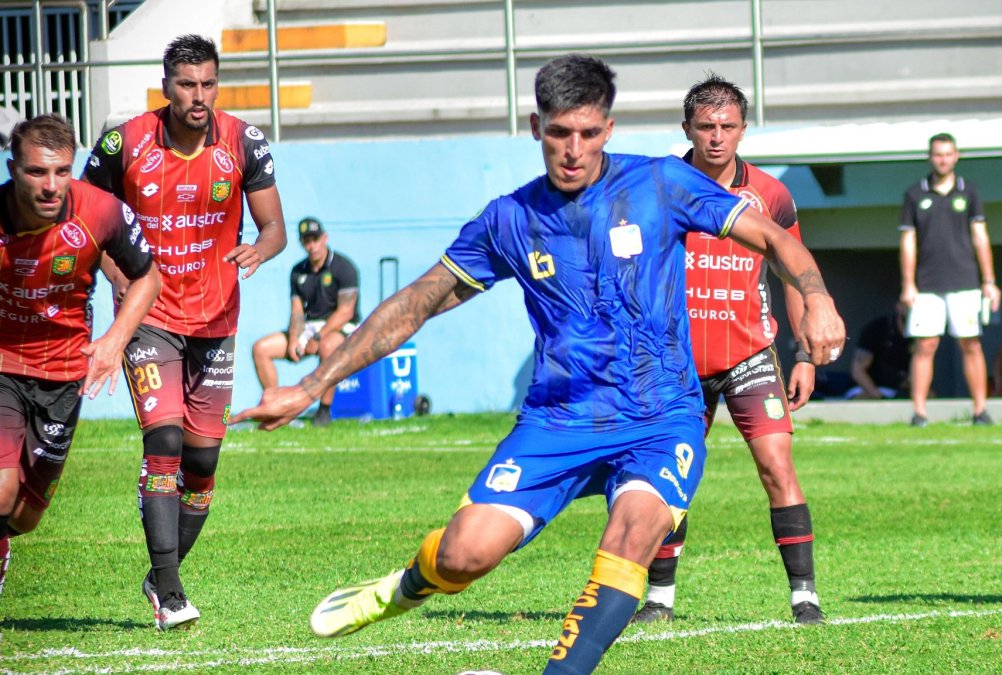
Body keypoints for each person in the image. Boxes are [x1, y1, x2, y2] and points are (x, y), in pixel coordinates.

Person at [232, 54, 845, 673]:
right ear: (535, 127)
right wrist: (311, 384)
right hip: (559, 420)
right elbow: (417, 302)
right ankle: (402, 587)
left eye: (587, 133)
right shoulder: (511, 219)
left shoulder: (662, 184)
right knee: (463, 557)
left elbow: (772, 236)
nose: (572, 149)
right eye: (558, 133)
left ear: (609, 129)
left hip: (661, 415)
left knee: (633, 533)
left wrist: (816, 299)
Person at [82, 34, 287, 630]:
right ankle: (170, 591)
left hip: (217, 320)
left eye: (208, 85)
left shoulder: (244, 141)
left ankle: (161, 573)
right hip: (151, 317)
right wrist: (119, 276)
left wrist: (259, 250)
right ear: (165, 86)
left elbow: (273, 226)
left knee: (203, 463)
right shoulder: (125, 143)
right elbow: (90, 217)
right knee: (165, 444)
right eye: (186, 85)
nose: (199, 97)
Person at [630, 74, 823, 627]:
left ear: (743, 129)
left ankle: (804, 597)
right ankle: (659, 601)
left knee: (777, 467)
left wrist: (805, 352)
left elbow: (792, 267)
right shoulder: (655, 186)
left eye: (728, 126)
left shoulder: (772, 193)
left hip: (749, 356)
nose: (717, 137)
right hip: (673, 362)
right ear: (686, 127)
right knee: (667, 477)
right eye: (706, 126)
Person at [0, 114, 160, 597]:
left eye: (62, 172)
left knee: (25, 516)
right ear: (12, 167)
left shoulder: (102, 211)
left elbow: (148, 277)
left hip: (65, 373)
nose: (51, 186)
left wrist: (114, 341)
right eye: (36, 172)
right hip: (3, 363)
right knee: (1, 489)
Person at [899, 132, 1000, 427]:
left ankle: (980, 411)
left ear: (956, 156)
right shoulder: (914, 194)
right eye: (937, 154)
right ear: (930, 157)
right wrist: (908, 283)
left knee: (971, 344)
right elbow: (908, 241)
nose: (942, 159)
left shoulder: (969, 191)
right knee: (925, 345)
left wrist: (989, 280)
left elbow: (980, 237)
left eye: (947, 154)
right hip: (926, 285)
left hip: (966, 282)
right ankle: (919, 413)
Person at [251, 217, 360, 427]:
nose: (312, 246)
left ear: (325, 238)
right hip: (311, 328)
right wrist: (294, 339)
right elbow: (297, 310)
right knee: (261, 349)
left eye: (315, 239)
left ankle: (324, 412)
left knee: (328, 347)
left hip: (341, 327)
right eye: (307, 241)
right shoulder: (298, 271)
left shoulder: (344, 267)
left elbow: (346, 312)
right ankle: (275, 408)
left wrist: (319, 337)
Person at [846, 302, 912, 400]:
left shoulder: (920, 334)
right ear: (899, 306)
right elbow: (858, 370)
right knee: (863, 399)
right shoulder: (877, 328)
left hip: (898, 391)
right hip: (869, 389)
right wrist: (879, 397)